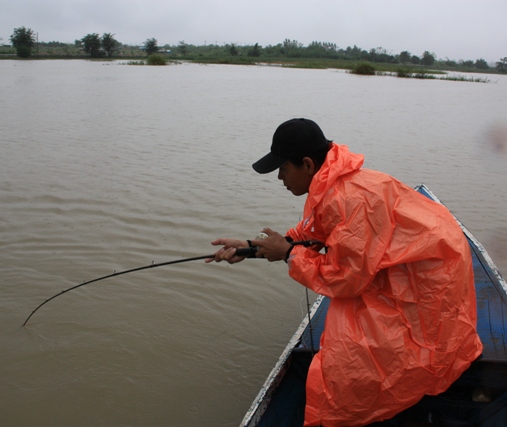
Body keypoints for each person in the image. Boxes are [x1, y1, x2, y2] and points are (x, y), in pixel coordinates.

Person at [207, 118, 483, 426]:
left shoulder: (349, 198)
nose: (280, 178)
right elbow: (311, 234)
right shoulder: (334, 183)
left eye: (283, 169)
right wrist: (249, 246)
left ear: (308, 164)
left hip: (428, 284)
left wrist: (287, 254)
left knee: (348, 363)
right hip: (411, 268)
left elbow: (345, 279)